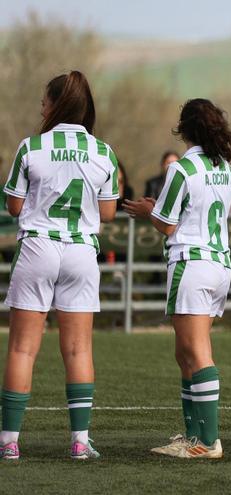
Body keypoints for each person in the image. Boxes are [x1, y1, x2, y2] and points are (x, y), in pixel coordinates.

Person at [0, 70, 118, 460]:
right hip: (82, 251)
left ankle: (9, 443)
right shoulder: (104, 152)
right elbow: (109, 212)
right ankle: (80, 442)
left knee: (21, 350)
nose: (41, 106)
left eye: (43, 101)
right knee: (79, 350)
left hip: (38, 247)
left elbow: (14, 206)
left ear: (54, 104)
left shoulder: (31, 146)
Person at [123, 98, 231, 459]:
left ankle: (207, 442)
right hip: (219, 264)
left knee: (196, 351)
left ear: (184, 129)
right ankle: (193, 435)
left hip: (192, 262)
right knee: (184, 351)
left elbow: (167, 223)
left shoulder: (182, 168)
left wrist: (147, 210)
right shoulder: (224, 168)